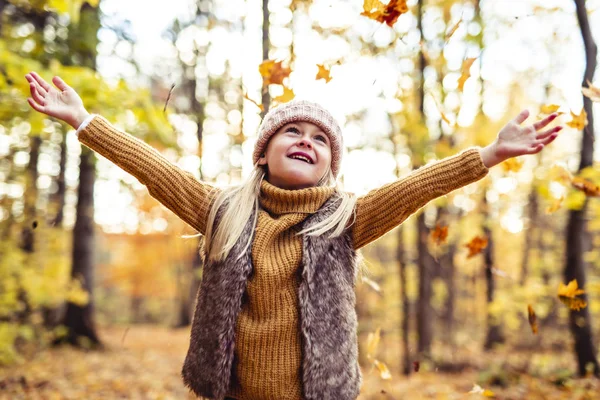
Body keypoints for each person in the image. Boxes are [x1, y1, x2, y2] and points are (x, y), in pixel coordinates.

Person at [24, 71, 562, 400]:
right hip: (231, 392)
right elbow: (154, 168)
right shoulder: (223, 210)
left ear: (330, 166)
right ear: (264, 151)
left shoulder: (343, 218)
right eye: (292, 132)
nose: (306, 141)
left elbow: (415, 187)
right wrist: (84, 121)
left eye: (320, 140)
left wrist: (489, 155)